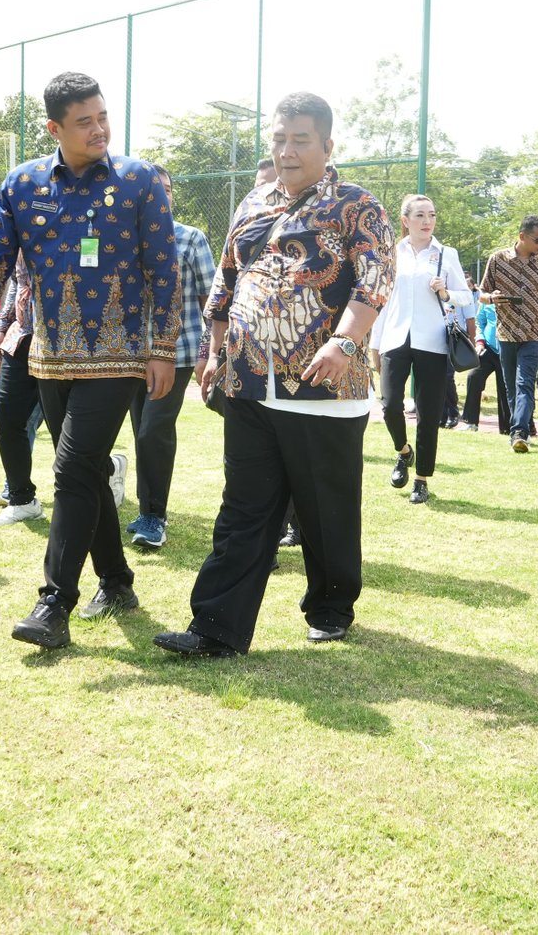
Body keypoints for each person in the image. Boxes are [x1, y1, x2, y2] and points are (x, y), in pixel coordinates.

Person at [153, 91, 394, 657]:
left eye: (300, 140)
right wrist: (214, 350)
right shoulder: (254, 201)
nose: (287, 151)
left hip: (322, 388)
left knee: (325, 510)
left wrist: (343, 340)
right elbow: (226, 280)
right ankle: (216, 627)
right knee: (243, 508)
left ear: (327, 145)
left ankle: (331, 607)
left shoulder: (358, 206)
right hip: (247, 382)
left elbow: (375, 281)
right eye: (280, 139)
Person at [0, 71, 179, 649]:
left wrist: (162, 349)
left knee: (71, 468)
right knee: (86, 470)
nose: (99, 129)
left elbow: (164, 269)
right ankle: (118, 581)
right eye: (84, 122)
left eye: (103, 117)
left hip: (119, 354)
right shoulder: (23, 184)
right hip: (48, 355)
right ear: (55, 128)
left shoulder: (139, 181)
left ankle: (54, 601)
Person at [125, 165, 217, 548]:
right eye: (154, 189)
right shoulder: (124, 240)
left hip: (176, 354)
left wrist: (208, 352)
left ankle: (154, 518)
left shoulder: (191, 239)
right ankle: (146, 508)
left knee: (153, 431)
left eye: (167, 189)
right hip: (131, 356)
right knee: (140, 432)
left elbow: (213, 302)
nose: (162, 195)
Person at [373, 194, 471, 504]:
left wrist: (446, 292)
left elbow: (466, 296)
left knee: (429, 415)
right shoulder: (392, 253)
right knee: (390, 404)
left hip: (433, 342)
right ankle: (404, 451)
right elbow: (383, 302)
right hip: (395, 339)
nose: (427, 221)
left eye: (432, 215)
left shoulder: (446, 254)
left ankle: (421, 479)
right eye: (420, 215)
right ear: (405, 220)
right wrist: (375, 344)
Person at [479, 215, 538, 451]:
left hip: (534, 333)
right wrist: (492, 298)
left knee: (524, 383)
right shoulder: (497, 259)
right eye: (537, 240)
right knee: (511, 387)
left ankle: (519, 432)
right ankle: (521, 427)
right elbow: (482, 293)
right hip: (506, 333)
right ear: (522, 236)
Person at [0, 257, 51, 525]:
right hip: (21, 337)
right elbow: (17, 280)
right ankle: (21, 498)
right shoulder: (19, 237)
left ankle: (108, 472)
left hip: (66, 345)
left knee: (67, 431)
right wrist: (2, 326)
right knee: (9, 421)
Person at [461, 298, 510, 433]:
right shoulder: (486, 300)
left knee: (505, 387)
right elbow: (479, 321)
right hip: (488, 348)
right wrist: (479, 342)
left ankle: (507, 428)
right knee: (474, 376)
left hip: (507, 349)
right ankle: (471, 422)